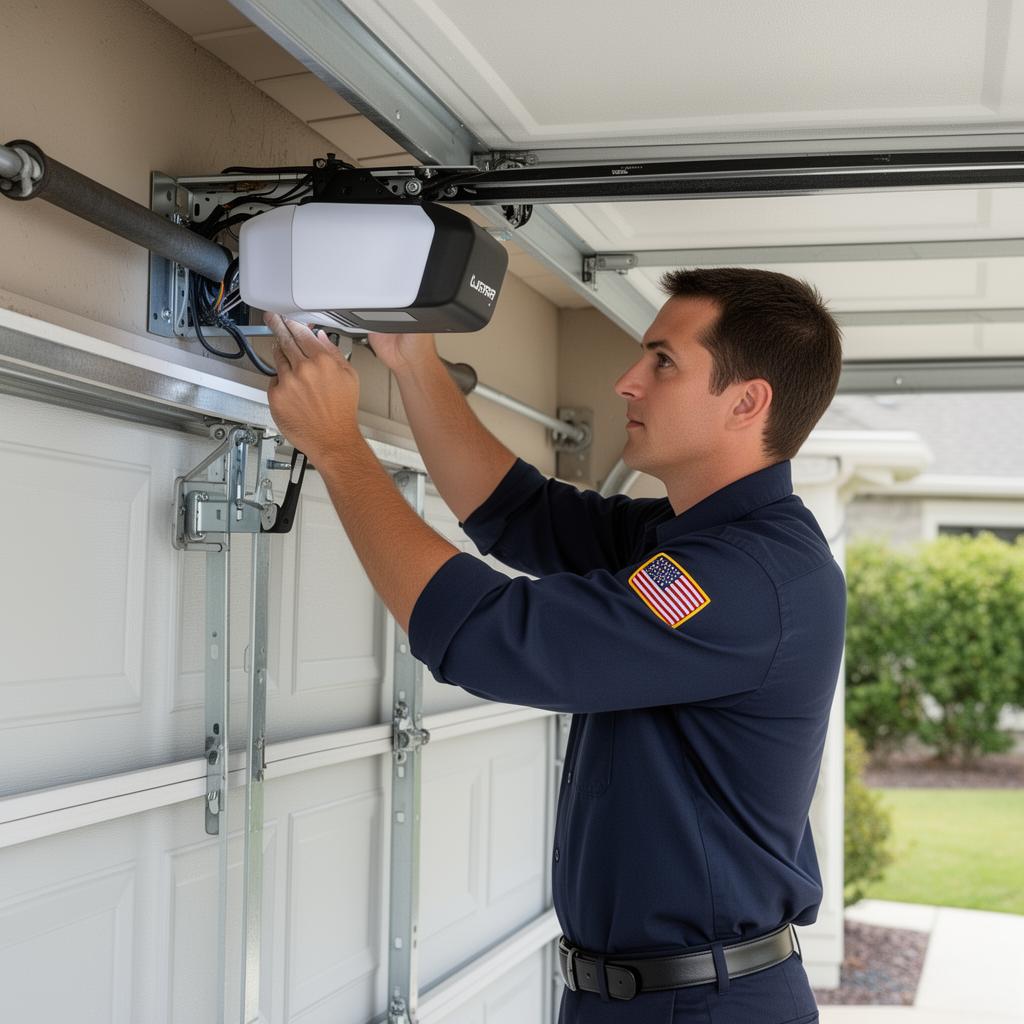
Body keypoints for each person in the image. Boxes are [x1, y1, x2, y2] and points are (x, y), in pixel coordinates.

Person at [263, 266, 846, 1024]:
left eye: (663, 362)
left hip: (702, 1007)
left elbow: (495, 640)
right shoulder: (694, 539)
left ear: (747, 402)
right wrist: (413, 362)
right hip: (646, 997)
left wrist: (339, 448)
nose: (628, 381)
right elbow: (521, 514)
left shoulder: (748, 579)